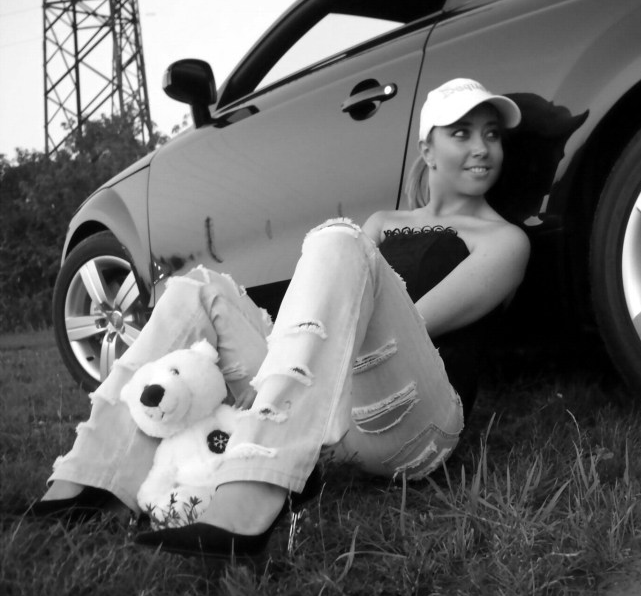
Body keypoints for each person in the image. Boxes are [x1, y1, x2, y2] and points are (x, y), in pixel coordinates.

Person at [29, 78, 530, 559]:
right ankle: (95, 473)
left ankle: (255, 486)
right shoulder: (384, 224)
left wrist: (276, 374)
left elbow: (418, 323)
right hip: (323, 412)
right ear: (427, 149)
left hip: (414, 423)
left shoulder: (504, 241)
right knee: (196, 290)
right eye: (461, 133)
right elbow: (325, 303)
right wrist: (276, 362)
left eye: (492, 135)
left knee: (339, 238)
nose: (481, 148)